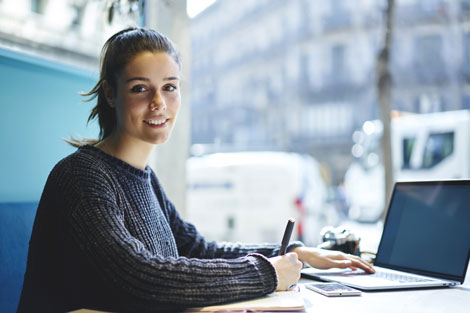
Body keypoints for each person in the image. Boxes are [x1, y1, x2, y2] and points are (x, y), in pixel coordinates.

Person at [17, 27, 374, 313]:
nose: (159, 103)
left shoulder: (144, 178)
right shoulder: (81, 176)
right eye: (141, 88)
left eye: (170, 87)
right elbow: (139, 275)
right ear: (110, 94)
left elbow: (195, 249)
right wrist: (266, 274)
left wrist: (293, 253)